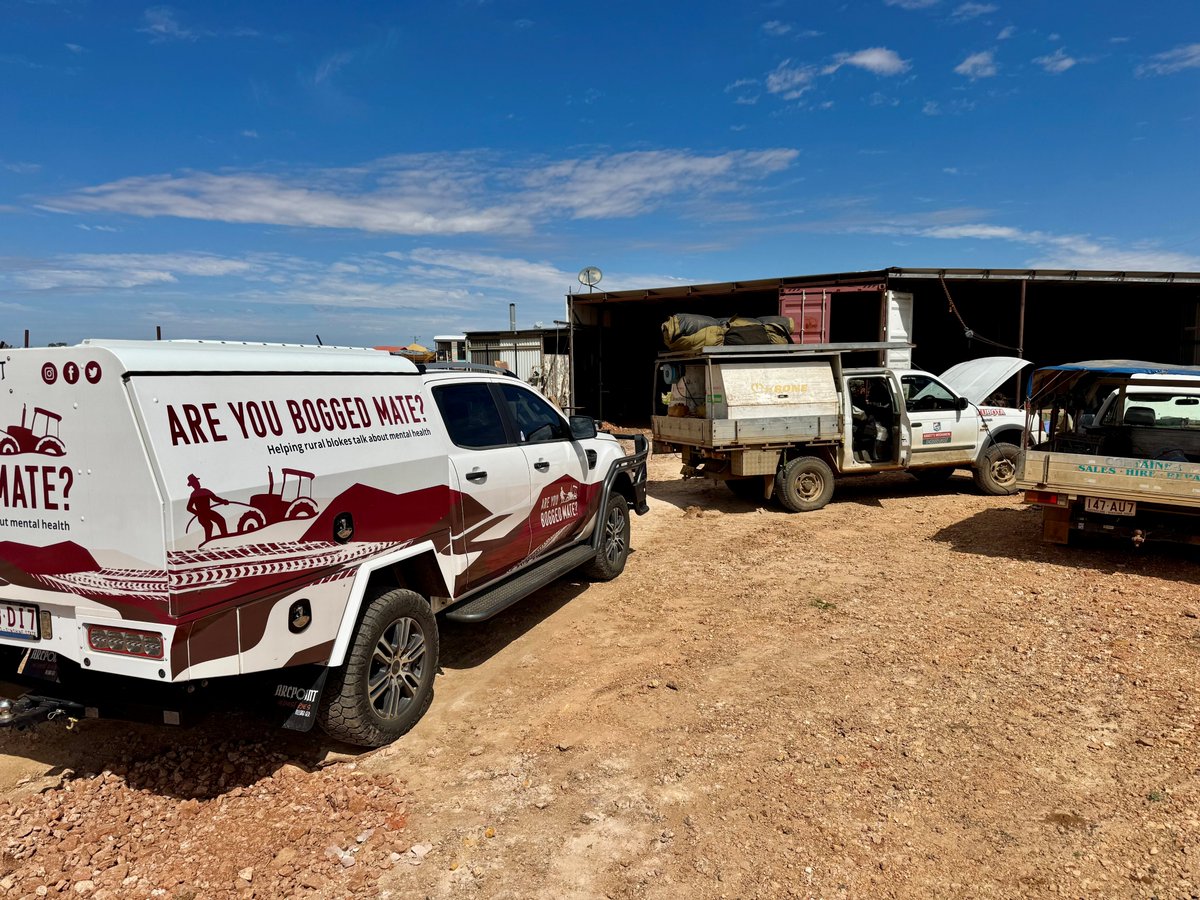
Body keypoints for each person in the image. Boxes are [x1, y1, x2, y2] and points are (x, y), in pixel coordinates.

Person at [186, 474, 229, 543]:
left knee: (221, 520)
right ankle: (208, 541)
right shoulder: (194, 494)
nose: (197, 483)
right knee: (209, 525)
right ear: (193, 485)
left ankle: (225, 535)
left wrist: (223, 501)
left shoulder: (205, 491)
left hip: (208, 512)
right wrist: (198, 513)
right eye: (195, 482)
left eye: (197, 481)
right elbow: (188, 507)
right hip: (202, 516)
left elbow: (215, 498)